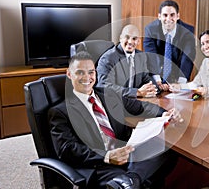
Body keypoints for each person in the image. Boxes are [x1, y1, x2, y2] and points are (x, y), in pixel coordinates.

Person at [48, 51, 180, 189]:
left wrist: (164, 113)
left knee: (167, 148)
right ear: (69, 74)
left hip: (126, 152)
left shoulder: (108, 95)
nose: (87, 77)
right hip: (99, 165)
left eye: (91, 72)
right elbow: (67, 149)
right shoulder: (60, 111)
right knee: (145, 176)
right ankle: (133, 180)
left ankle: (130, 179)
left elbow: (139, 106)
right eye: (80, 72)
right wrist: (107, 156)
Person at [143, 0, 196, 91]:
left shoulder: (187, 31)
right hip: (158, 72)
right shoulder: (150, 30)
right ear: (159, 16)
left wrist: (180, 83)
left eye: (172, 15)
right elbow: (151, 56)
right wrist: (157, 80)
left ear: (178, 16)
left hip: (178, 73)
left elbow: (187, 57)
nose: (168, 19)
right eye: (165, 15)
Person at [97, 24, 158, 98]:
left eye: (134, 39)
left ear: (138, 41)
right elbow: (104, 86)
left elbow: (146, 78)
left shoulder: (141, 56)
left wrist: (154, 88)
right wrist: (137, 92)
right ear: (120, 38)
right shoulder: (108, 58)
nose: (130, 42)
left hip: (135, 102)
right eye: (127, 37)